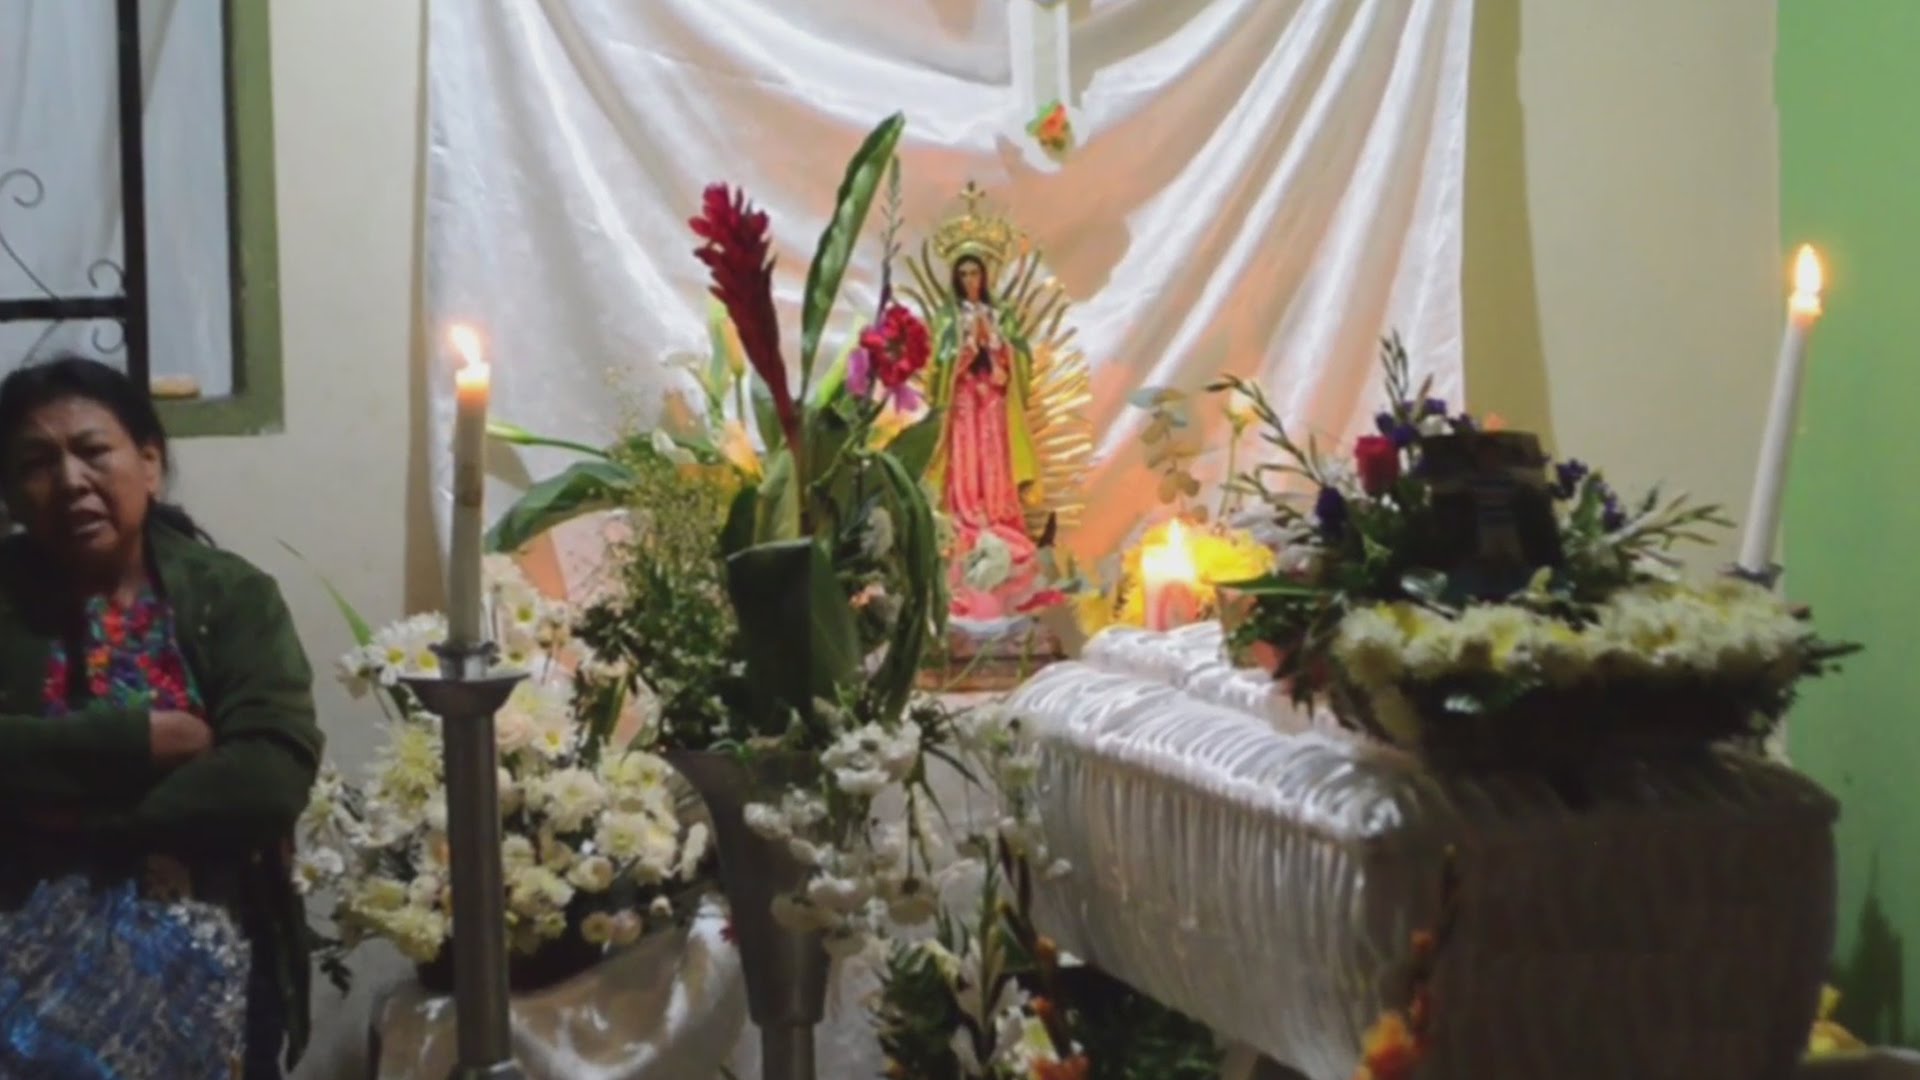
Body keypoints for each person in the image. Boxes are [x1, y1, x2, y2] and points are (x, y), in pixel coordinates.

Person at [0, 356, 322, 1078]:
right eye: (37, 464)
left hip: (207, 943)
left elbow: (269, 776)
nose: (71, 481)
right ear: (10, 493)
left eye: (92, 451)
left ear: (149, 464)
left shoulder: (230, 597)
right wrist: (139, 741)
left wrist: (77, 824)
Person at [927, 253, 1044, 620]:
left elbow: (1020, 360)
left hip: (992, 400)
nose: (969, 280)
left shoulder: (1000, 314)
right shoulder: (948, 318)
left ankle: (996, 514)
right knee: (966, 458)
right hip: (963, 401)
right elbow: (938, 367)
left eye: (975, 272)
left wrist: (996, 348)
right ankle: (967, 514)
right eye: (963, 274)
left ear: (985, 275)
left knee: (994, 458)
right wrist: (966, 350)